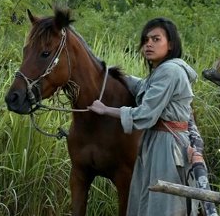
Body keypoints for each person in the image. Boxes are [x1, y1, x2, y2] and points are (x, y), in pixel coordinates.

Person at [88, 17, 208, 215]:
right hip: (158, 143)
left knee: (163, 205)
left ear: (170, 45)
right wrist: (115, 76)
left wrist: (105, 109)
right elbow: (144, 87)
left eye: (156, 39)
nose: (148, 44)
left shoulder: (170, 71)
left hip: (167, 147)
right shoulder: (160, 72)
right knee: (151, 202)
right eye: (145, 40)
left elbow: (146, 114)